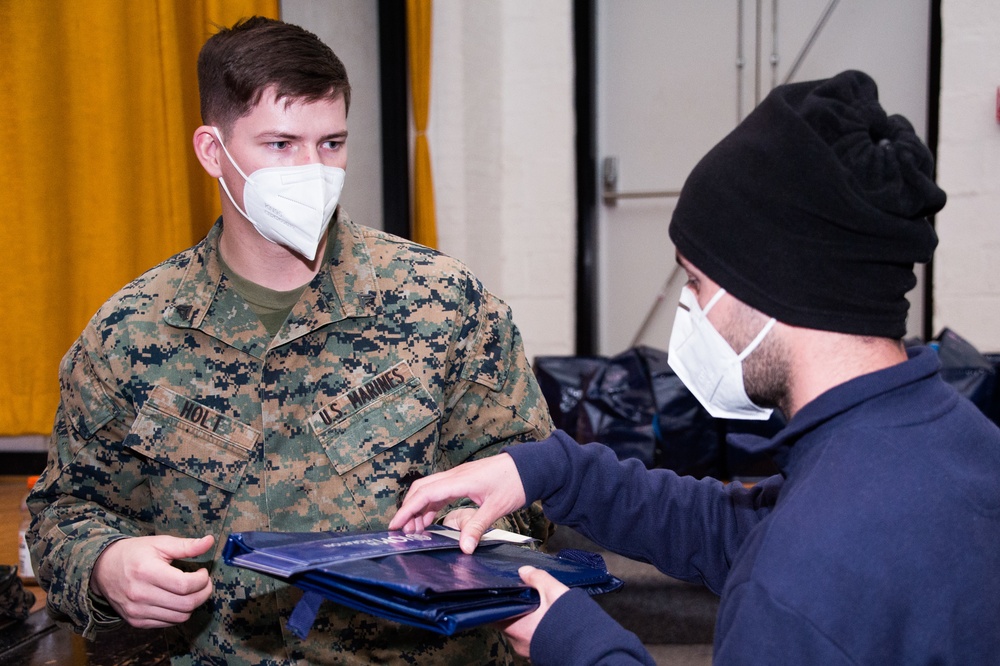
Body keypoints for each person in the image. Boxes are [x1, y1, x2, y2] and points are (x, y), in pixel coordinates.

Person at [391, 70, 1000, 665]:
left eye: (695, 281)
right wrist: (554, 470)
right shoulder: (954, 442)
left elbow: (788, 550)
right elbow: (738, 528)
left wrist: (580, 643)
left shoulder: (796, 584)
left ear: (771, 288)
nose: (687, 308)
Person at [27, 16, 552, 666]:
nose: (313, 170)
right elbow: (66, 511)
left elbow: (529, 477)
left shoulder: (444, 304)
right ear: (212, 151)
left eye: (331, 143)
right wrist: (106, 565)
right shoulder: (131, 331)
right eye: (280, 144)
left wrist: (465, 529)